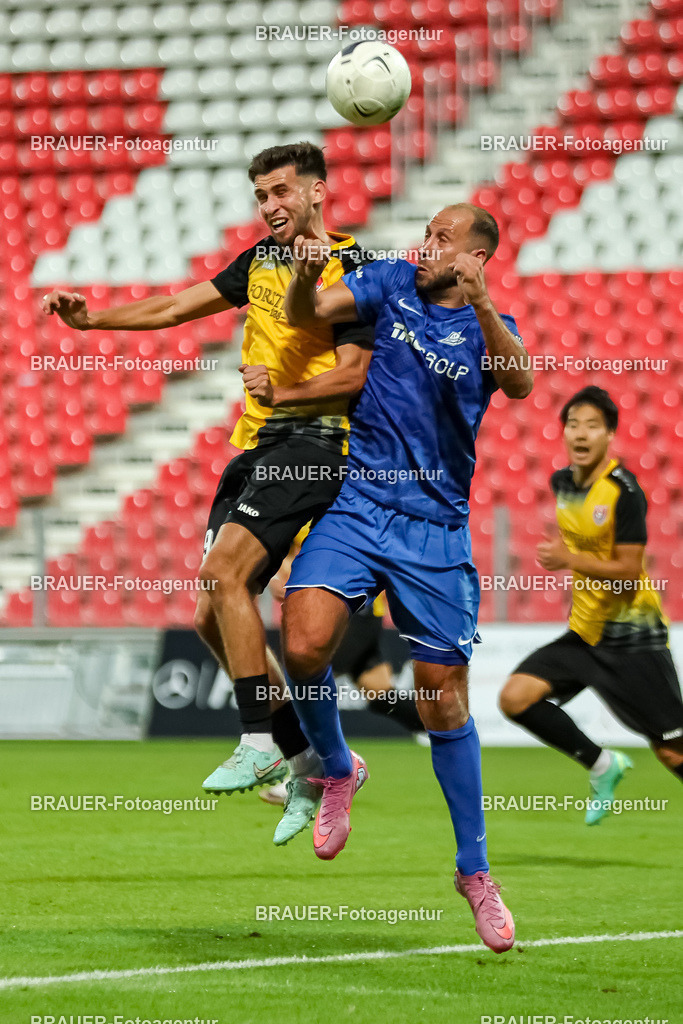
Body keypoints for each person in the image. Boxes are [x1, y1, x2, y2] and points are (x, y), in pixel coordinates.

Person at [42, 142, 374, 847]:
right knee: (207, 617)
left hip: (311, 446)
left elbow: (354, 375)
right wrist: (91, 319)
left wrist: (283, 392)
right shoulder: (259, 261)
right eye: (261, 196)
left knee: (225, 575)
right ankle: (312, 761)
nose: (271, 206)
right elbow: (171, 307)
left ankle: (259, 737)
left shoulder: (357, 269)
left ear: (318, 191)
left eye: (282, 191)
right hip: (251, 452)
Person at [244, 202, 532, 953]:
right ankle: (336, 769)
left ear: (475, 257)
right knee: (303, 644)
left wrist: (483, 302)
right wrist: (307, 282)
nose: (426, 245)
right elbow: (315, 313)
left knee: (440, 697)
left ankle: (474, 872)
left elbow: (521, 383)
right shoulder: (390, 280)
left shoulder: (484, 328)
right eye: (428, 233)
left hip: (432, 528)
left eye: (443, 239)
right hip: (359, 503)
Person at [499, 386, 683, 822]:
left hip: (632, 640)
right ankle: (602, 764)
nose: (580, 433)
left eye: (592, 426)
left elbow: (627, 568)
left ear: (610, 435)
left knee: (672, 750)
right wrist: (568, 557)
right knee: (516, 697)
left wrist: (567, 559)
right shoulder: (562, 483)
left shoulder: (624, 492)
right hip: (586, 633)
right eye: (573, 424)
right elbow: (585, 543)